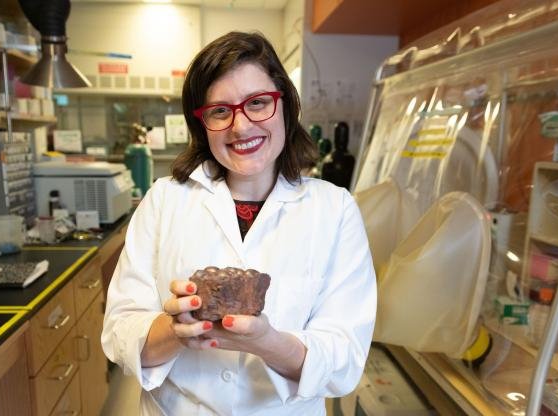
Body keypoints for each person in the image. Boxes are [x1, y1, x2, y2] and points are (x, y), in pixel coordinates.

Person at [102, 31, 376, 415]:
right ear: (202, 124)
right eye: (219, 111)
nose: (241, 126)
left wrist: (266, 342)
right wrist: (177, 330)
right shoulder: (164, 200)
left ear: (285, 105)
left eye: (258, 103)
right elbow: (119, 332)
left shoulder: (335, 209)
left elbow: (345, 358)